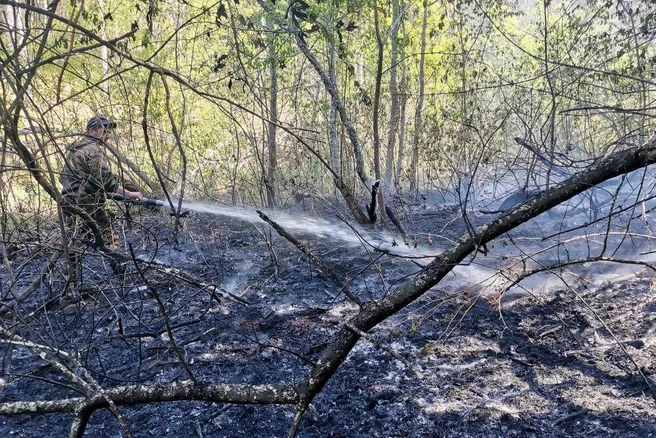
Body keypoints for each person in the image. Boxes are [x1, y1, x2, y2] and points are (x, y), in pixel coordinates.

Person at [60, 115, 144, 288]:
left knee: (74, 243)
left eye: (108, 131)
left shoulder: (74, 151)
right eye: (103, 130)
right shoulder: (93, 149)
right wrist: (129, 193)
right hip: (88, 204)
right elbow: (104, 180)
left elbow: (65, 179)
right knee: (110, 239)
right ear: (91, 131)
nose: (107, 135)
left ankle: (72, 287)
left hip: (68, 203)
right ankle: (126, 282)